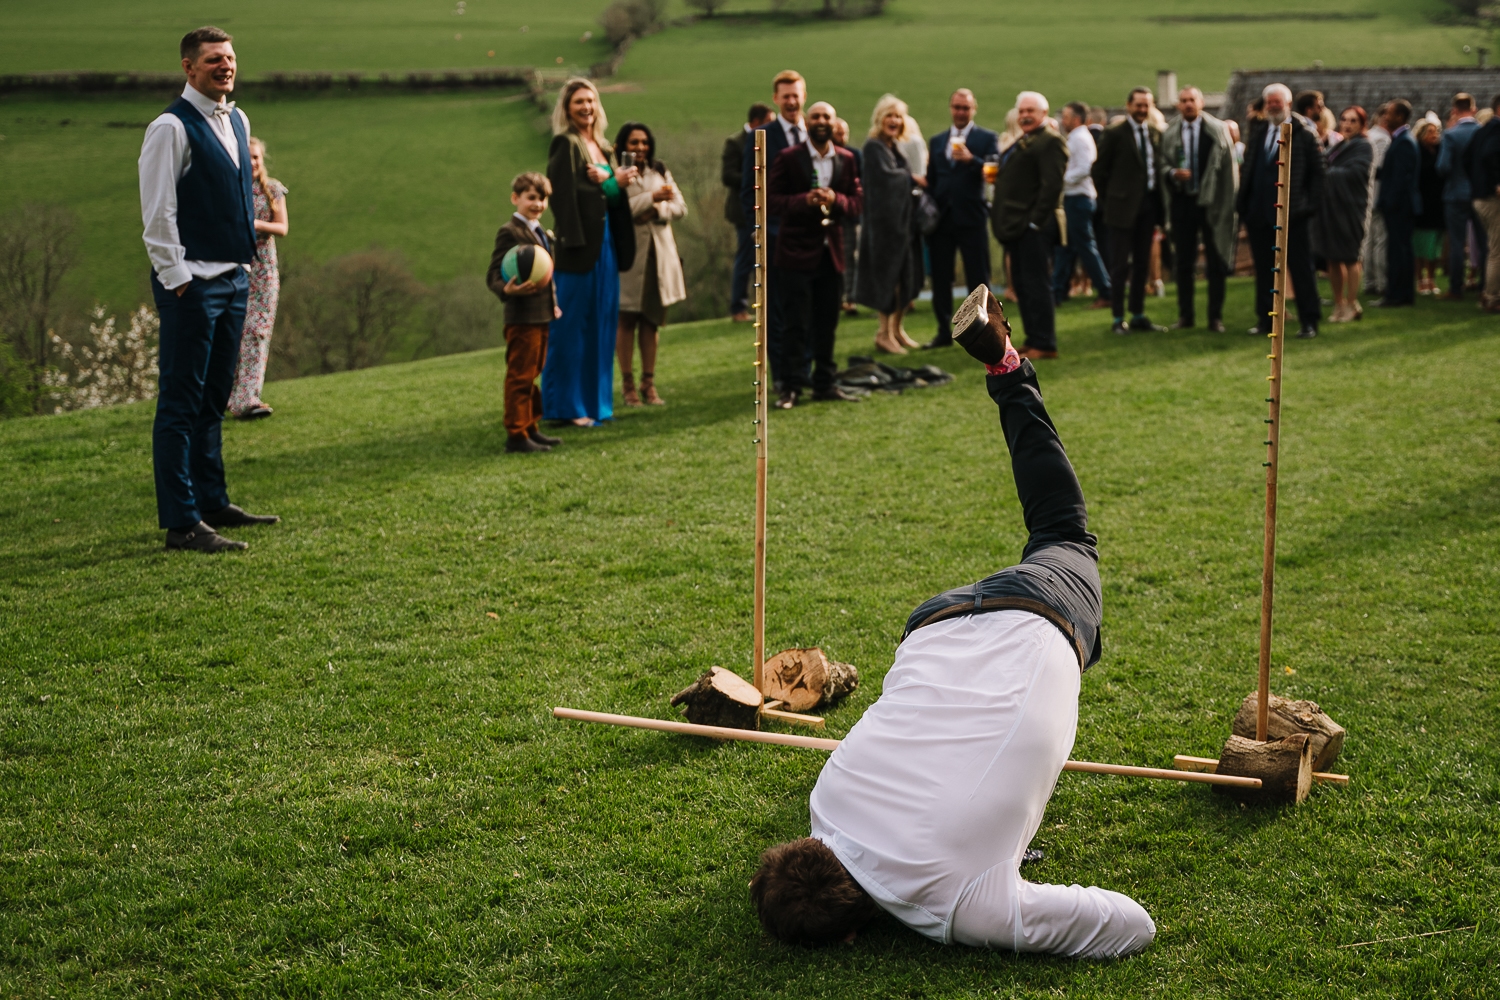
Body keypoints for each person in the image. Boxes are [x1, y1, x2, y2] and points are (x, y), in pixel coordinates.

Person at [751, 284, 1156, 959]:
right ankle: (1006, 372)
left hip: (1038, 620)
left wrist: (1003, 873)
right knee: (1052, 533)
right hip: (935, 627)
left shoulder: (963, 908)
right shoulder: (826, 806)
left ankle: (1006, 369)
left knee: (1063, 531)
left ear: (851, 932)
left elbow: (1131, 925)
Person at [140, 26, 279, 553]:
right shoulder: (169, 129)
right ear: (188, 67)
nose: (226, 65)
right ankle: (182, 522)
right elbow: (158, 213)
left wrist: (241, 272)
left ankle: (213, 501)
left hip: (234, 279)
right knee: (179, 404)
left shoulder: (238, 119)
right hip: (192, 285)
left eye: (231, 57)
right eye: (214, 59)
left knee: (214, 398)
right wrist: (178, 281)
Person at [545, 78, 638, 426]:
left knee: (601, 325)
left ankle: (596, 405)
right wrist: (611, 183)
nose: (586, 107)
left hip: (608, 245)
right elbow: (564, 197)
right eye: (578, 102)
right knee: (570, 329)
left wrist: (612, 184)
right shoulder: (565, 144)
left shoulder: (604, 147)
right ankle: (563, 408)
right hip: (580, 248)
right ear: (567, 109)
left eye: (591, 101)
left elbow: (610, 199)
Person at [767, 101, 863, 409]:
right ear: (807, 122)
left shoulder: (847, 160)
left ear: (835, 124)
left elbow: (858, 203)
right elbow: (772, 201)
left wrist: (836, 199)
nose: (821, 121)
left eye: (827, 117)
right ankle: (791, 387)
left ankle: (825, 383)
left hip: (831, 253)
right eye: (816, 116)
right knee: (795, 324)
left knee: (827, 323)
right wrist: (804, 200)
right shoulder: (788, 157)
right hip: (795, 253)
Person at [1237, 83, 1324, 337]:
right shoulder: (1258, 131)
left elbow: (1319, 175)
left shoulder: (1304, 133)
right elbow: (1250, 169)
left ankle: (1309, 321)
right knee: (1264, 271)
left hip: (1293, 215)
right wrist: (1244, 204)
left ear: (1288, 104)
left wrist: (1306, 207)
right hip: (1260, 215)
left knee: (1301, 268)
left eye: (1279, 102)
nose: (1274, 106)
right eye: (1270, 102)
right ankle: (1266, 321)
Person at [486, 172, 564, 453]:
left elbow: (546, 274)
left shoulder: (540, 231)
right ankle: (516, 434)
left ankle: (531, 426)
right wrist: (507, 291)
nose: (538, 204)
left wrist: (552, 303)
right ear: (515, 198)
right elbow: (493, 274)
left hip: (541, 314)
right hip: (521, 317)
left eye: (542, 198)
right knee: (520, 374)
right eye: (531, 197)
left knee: (533, 371)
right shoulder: (510, 231)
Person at [742, 70, 809, 394]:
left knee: (807, 309)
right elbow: (748, 192)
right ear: (776, 99)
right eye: (786, 96)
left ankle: (805, 374)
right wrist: (760, 232)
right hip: (776, 238)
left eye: (796, 95)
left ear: (804, 97)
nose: (792, 101)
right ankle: (782, 378)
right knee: (778, 313)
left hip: (811, 240)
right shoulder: (761, 136)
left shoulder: (815, 133)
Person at [991, 92, 1067, 360]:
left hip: (1034, 227)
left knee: (1037, 284)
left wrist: (1035, 221)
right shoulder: (1027, 139)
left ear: (1044, 114)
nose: (1024, 115)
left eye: (1030, 111)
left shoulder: (1050, 141)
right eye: (1021, 111)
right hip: (1017, 226)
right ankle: (1034, 338)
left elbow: (1052, 185)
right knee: (1023, 285)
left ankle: (1045, 343)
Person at [616, 122, 687, 407]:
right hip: (630, 255)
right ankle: (628, 384)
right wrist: (651, 198)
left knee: (652, 320)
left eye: (644, 142)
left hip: (659, 255)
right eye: (634, 143)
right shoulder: (618, 173)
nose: (640, 148)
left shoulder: (660, 170)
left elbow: (680, 207)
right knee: (626, 319)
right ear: (623, 145)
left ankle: (649, 382)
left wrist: (656, 209)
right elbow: (617, 209)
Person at [923, 88, 999, 348]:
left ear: (973, 109)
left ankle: (985, 333)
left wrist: (971, 160)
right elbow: (932, 179)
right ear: (950, 108)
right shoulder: (937, 141)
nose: (960, 112)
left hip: (972, 216)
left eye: (965, 108)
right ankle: (943, 332)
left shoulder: (987, 138)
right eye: (956, 107)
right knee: (941, 278)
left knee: (979, 278)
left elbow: (993, 170)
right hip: (942, 220)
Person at [1159, 85, 1237, 332]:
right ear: (1178, 105)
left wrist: (1226, 203)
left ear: (1201, 103)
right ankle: (1186, 316)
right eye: (1183, 100)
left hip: (1211, 202)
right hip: (1183, 202)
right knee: (1183, 261)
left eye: (1192, 100)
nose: (1188, 104)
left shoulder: (1217, 130)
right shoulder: (1170, 131)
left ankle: (1215, 317)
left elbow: (1228, 171)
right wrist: (1172, 173)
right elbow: (1162, 162)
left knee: (1215, 261)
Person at [1092, 87, 1168, 335]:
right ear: (1128, 105)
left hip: (1148, 206)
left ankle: (1138, 314)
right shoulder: (1115, 133)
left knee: (1142, 263)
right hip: (1120, 208)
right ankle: (1117, 317)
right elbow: (1099, 171)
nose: (1142, 110)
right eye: (1138, 105)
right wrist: (1109, 201)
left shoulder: (1155, 133)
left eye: (1147, 105)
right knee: (1119, 264)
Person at [856, 94, 924, 355]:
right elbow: (887, 180)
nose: (894, 120)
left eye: (898, 116)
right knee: (888, 280)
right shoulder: (874, 147)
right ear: (880, 118)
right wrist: (912, 179)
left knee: (904, 278)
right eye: (889, 116)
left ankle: (897, 330)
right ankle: (883, 334)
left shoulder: (893, 145)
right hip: (883, 227)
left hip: (900, 225)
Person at [226, 136, 288, 420]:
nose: (252, 162)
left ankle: (248, 398)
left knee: (257, 331)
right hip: (232, 266)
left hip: (263, 269)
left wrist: (253, 224)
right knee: (231, 333)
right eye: (247, 157)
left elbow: (282, 227)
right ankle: (226, 398)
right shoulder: (230, 189)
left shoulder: (272, 189)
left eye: (256, 157)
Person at [1051, 101, 1110, 310]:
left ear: (1076, 119)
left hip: (1079, 198)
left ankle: (1105, 290)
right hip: (1075, 198)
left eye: (1066, 117)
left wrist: (1062, 180)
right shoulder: (1076, 137)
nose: (1062, 121)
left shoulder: (1080, 138)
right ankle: (1057, 291)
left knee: (1084, 247)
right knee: (1068, 247)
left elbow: (1086, 167)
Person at [1319, 107, 1375, 323]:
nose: (1347, 124)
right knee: (1333, 257)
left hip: (1352, 206)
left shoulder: (1364, 146)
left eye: (1353, 120)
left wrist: (1328, 173)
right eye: (1344, 120)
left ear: (1362, 124)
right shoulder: (1340, 145)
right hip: (1332, 207)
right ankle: (1339, 303)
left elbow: (1358, 172)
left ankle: (1352, 303)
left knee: (1351, 257)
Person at [724, 103, 774, 323]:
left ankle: (764, 304)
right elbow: (727, 176)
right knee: (746, 258)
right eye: (767, 122)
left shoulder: (770, 141)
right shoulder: (735, 142)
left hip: (768, 210)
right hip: (743, 212)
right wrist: (755, 179)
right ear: (755, 122)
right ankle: (738, 308)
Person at [1437, 93, 1486, 300]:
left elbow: (1442, 166)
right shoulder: (1484, 133)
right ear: (1474, 109)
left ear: (1454, 110)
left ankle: (1455, 288)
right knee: (1484, 242)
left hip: (1456, 193)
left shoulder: (1451, 134)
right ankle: (1486, 286)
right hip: (1479, 193)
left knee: (1457, 243)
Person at [1375, 99, 1419, 307]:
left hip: (1399, 207)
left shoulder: (1404, 142)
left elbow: (1401, 177)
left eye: (1390, 113)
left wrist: (1388, 202)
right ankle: (1400, 293)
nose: (1385, 116)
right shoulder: (1401, 140)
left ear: (1400, 117)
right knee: (1399, 249)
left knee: (1398, 251)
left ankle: (1397, 294)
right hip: (1399, 205)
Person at [1466, 94, 1500, 311]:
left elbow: (1466, 159)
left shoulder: (1481, 131)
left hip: (1479, 197)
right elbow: (1491, 154)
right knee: (1497, 250)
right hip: (1491, 198)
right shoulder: (1497, 130)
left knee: (1494, 248)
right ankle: (1492, 297)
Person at [1412, 118, 1447, 296]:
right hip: (1423, 203)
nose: (1434, 135)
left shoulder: (1441, 150)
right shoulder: (1417, 151)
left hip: (1438, 203)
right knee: (1420, 245)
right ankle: (1420, 279)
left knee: (1435, 245)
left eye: (1436, 132)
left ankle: (1431, 279)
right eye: (1430, 132)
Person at [1363, 103, 1393, 299]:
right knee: (1380, 240)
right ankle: (1381, 282)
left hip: (1369, 195)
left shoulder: (1369, 136)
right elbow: (1380, 169)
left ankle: (1369, 281)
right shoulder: (1382, 139)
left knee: (1370, 241)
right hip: (1378, 194)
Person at [833, 116, 862, 315]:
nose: (842, 136)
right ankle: (836, 298)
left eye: (844, 132)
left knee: (851, 257)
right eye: (838, 132)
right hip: (832, 217)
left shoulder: (854, 155)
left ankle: (850, 298)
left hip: (850, 217)